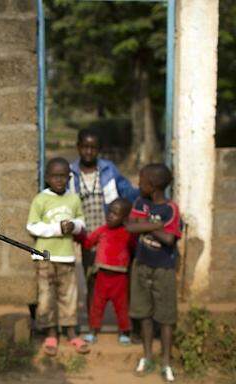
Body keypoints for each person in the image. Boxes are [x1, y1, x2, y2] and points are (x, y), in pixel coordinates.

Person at [68, 129, 140, 337]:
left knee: (118, 280)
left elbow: (128, 192)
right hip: (89, 236)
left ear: (98, 150)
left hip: (112, 233)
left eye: (93, 147)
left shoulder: (108, 169)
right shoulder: (71, 172)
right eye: (85, 146)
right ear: (78, 147)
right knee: (92, 279)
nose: (89, 151)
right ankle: (93, 324)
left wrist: (144, 204)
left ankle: (125, 327)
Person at [27, 157, 89, 356]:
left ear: (69, 177)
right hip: (44, 258)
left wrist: (75, 226)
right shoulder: (41, 199)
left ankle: (71, 332)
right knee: (46, 296)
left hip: (67, 257)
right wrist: (58, 228)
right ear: (47, 178)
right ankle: (51, 333)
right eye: (55, 176)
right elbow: (32, 227)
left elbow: (82, 222)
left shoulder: (73, 198)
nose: (59, 180)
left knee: (69, 295)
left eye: (63, 176)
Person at [125, 164, 181, 383]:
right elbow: (130, 227)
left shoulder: (171, 209)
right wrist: (156, 226)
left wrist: (145, 225)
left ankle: (166, 362)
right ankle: (147, 356)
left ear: (154, 185)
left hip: (163, 269)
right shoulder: (140, 202)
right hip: (141, 265)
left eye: (142, 181)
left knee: (166, 317)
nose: (138, 184)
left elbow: (169, 239)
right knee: (144, 314)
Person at [76, 198, 134, 345]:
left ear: (125, 218)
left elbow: (133, 248)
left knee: (122, 308)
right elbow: (88, 243)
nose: (110, 216)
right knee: (97, 306)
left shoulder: (128, 233)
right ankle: (93, 331)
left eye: (115, 214)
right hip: (102, 276)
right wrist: (79, 236)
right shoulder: (102, 230)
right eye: (109, 212)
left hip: (120, 277)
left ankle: (124, 332)